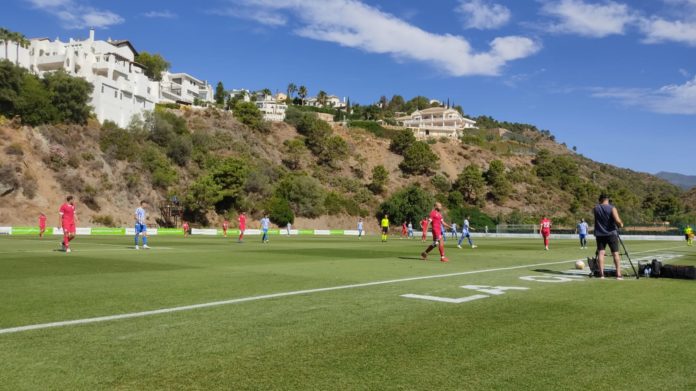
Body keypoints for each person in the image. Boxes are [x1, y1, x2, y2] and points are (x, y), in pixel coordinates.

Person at [593, 194, 624, 279]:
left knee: (601, 253)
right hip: (611, 233)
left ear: (600, 200)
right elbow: (617, 220)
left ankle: (601, 274)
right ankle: (618, 274)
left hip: (599, 234)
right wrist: (621, 224)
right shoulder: (612, 208)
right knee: (615, 253)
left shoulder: (596, 208)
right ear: (607, 200)